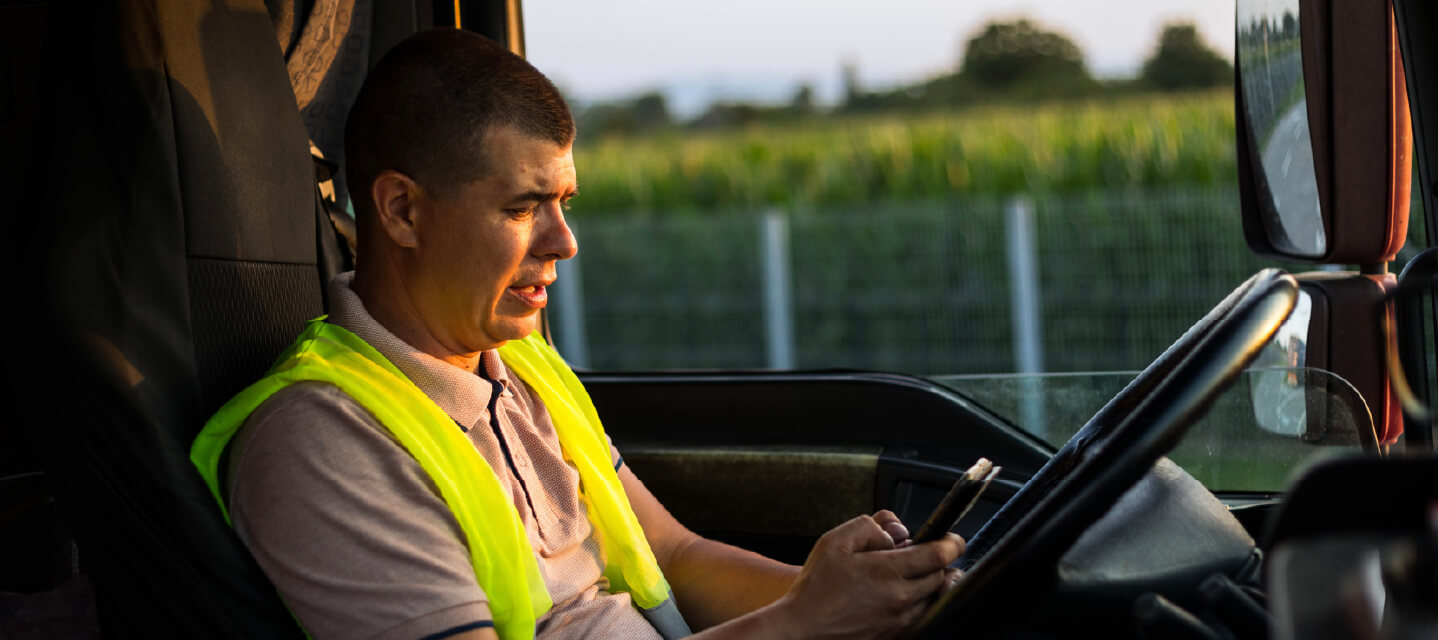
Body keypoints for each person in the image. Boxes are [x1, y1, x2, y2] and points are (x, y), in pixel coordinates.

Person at [191, 28, 964, 640]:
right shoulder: (322, 442)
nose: (565, 242)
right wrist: (800, 624)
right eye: (524, 207)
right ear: (401, 212)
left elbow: (676, 556)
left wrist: (852, 597)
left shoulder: (524, 368)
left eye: (565, 201)